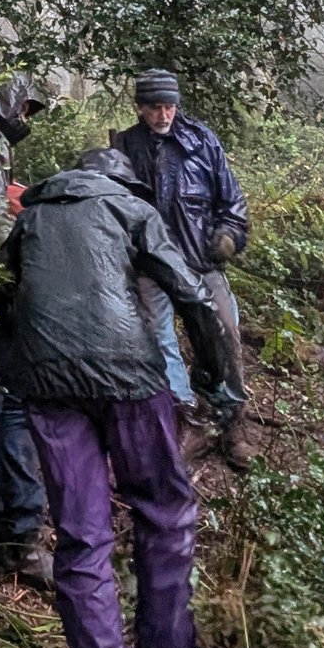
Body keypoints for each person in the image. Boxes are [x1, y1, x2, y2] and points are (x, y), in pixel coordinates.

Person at [0, 145, 230, 648]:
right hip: (131, 379)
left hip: (49, 387)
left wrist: (18, 367)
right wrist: (215, 379)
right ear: (124, 184)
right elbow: (193, 295)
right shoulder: (132, 210)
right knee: (165, 514)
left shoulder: (31, 217)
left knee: (81, 537)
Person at [110, 69, 252, 464]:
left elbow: (233, 203)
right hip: (151, 265)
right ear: (140, 108)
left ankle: (232, 422)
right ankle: (186, 419)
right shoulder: (125, 146)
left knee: (225, 332)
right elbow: (114, 208)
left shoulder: (202, 141)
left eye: (169, 106)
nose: (164, 115)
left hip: (200, 262)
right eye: (155, 107)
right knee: (159, 339)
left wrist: (228, 236)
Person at [0, 74, 53, 588]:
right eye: (24, 107)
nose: (25, 118)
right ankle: (21, 539)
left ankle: (5, 536)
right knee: (10, 407)